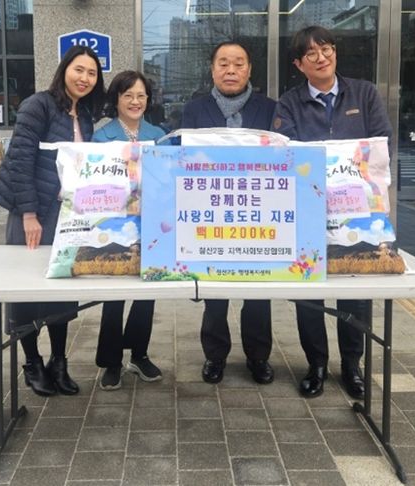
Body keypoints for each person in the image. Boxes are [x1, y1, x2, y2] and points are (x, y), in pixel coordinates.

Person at [271, 25, 392, 399]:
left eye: (326, 49)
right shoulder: (288, 103)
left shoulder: (364, 93)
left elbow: (381, 146)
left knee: (354, 289)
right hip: (308, 211)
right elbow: (286, 155)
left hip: (358, 210)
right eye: (311, 53)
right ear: (299, 64)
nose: (321, 57)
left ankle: (352, 365)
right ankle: (316, 365)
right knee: (308, 289)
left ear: (335, 52)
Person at [0, 46, 105, 397]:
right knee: (26, 289)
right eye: (79, 69)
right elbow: (20, 160)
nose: (84, 78)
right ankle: (32, 362)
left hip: (66, 214)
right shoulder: (37, 105)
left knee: (61, 289)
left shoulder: (84, 115)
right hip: (32, 212)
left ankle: (59, 362)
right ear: (64, 69)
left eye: (92, 73)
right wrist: (29, 214)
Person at [181, 40, 276, 385]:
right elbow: (183, 159)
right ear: (212, 69)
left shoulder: (270, 109)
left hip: (259, 212)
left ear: (249, 69)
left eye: (238, 63)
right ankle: (215, 356)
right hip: (211, 212)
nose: (231, 70)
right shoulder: (195, 110)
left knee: (259, 291)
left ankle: (258, 356)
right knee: (214, 292)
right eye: (223, 63)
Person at [92, 70, 166, 390]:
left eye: (141, 96)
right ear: (117, 99)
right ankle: (111, 361)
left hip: (152, 223)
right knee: (114, 293)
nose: (135, 102)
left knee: (147, 292)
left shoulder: (159, 134)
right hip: (116, 223)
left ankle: (139, 354)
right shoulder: (101, 137)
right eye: (128, 96)